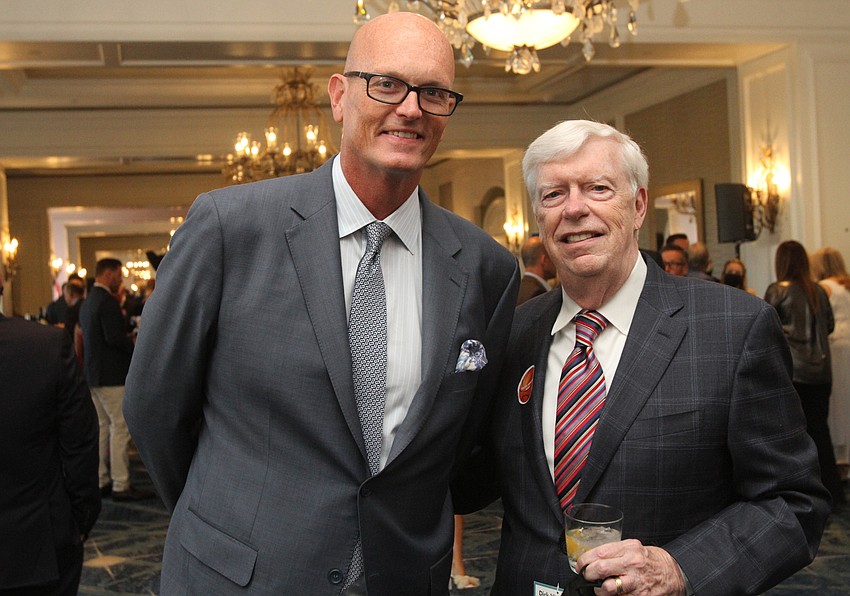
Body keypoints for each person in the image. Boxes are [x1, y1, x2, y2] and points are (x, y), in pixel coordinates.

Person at [123, 12, 519, 595]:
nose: (410, 108)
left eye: (434, 93)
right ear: (340, 95)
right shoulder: (229, 229)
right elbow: (155, 408)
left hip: (406, 577)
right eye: (385, 84)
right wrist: (228, 514)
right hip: (242, 576)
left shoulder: (486, 266)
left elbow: (468, 445)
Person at [453, 120, 830, 595]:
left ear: (638, 206)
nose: (574, 208)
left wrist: (679, 568)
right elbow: (471, 479)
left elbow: (793, 503)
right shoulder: (513, 333)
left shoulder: (733, 328)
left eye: (597, 188)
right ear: (538, 219)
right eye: (553, 195)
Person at [0, 267, 101, 595]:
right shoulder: (44, 346)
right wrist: (81, 517)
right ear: (2, 282)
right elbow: (81, 440)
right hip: (37, 540)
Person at [765, 241, 845, 507]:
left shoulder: (778, 290)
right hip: (822, 371)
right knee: (821, 431)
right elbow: (830, 326)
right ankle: (833, 490)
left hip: (794, 372)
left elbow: (765, 330)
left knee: (795, 437)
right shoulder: (818, 291)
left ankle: (805, 498)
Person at [79, 258, 150, 502]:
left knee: (102, 428)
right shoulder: (107, 302)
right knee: (120, 428)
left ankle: (101, 480)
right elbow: (113, 338)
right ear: (108, 274)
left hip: (93, 373)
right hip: (111, 374)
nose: (121, 279)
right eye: (119, 275)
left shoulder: (87, 301)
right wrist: (133, 345)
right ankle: (121, 484)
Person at [811, 246, 850, 477]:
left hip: (836, 347)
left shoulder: (825, 287)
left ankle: (840, 459)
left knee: (837, 404)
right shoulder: (847, 284)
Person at [517, 235, 556, 305]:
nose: (555, 263)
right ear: (544, 260)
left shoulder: (518, 288)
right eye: (552, 257)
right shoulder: (537, 293)